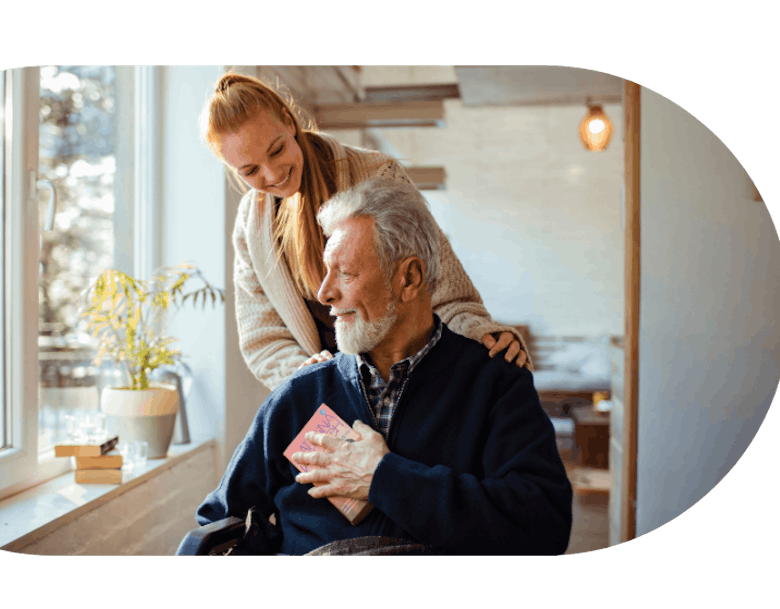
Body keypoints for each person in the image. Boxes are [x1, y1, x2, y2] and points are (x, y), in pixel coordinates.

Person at [196, 178, 573, 555]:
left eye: (345, 273)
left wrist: (383, 478)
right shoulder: (301, 394)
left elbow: (544, 528)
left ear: (409, 278)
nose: (324, 292)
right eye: (326, 272)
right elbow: (218, 522)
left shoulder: (495, 384)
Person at [201, 71, 531, 391]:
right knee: (290, 446)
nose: (272, 174)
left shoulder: (377, 174)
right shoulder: (251, 225)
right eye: (250, 170)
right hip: (324, 393)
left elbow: (441, 283)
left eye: (276, 150)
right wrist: (302, 376)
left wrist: (481, 332)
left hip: (407, 379)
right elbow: (263, 337)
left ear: (289, 122)